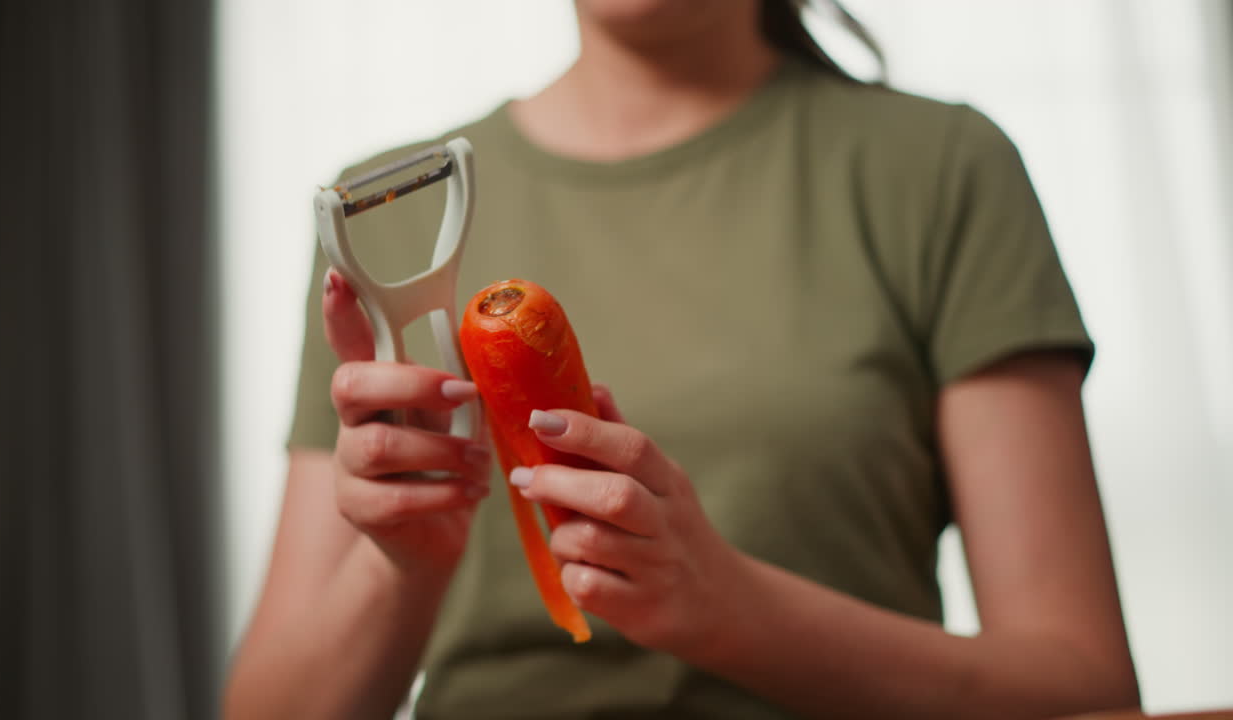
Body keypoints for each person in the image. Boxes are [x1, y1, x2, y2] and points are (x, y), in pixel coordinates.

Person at [224, 1, 1141, 717]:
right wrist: (407, 572)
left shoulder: (942, 169)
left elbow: (1083, 691)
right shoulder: (385, 217)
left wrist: (729, 609)